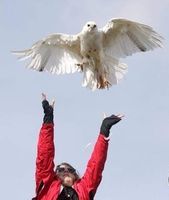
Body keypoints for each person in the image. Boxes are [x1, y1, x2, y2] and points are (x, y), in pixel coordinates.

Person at [32, 93, 123, 200]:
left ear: (75, 175)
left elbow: (96, 165)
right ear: (55, 174)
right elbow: (44, 157)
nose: (66, 171)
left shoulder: (84, 187)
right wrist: (48, 121)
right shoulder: (48, 185)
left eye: (70, 170)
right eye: (61, 169)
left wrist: (104, 131)